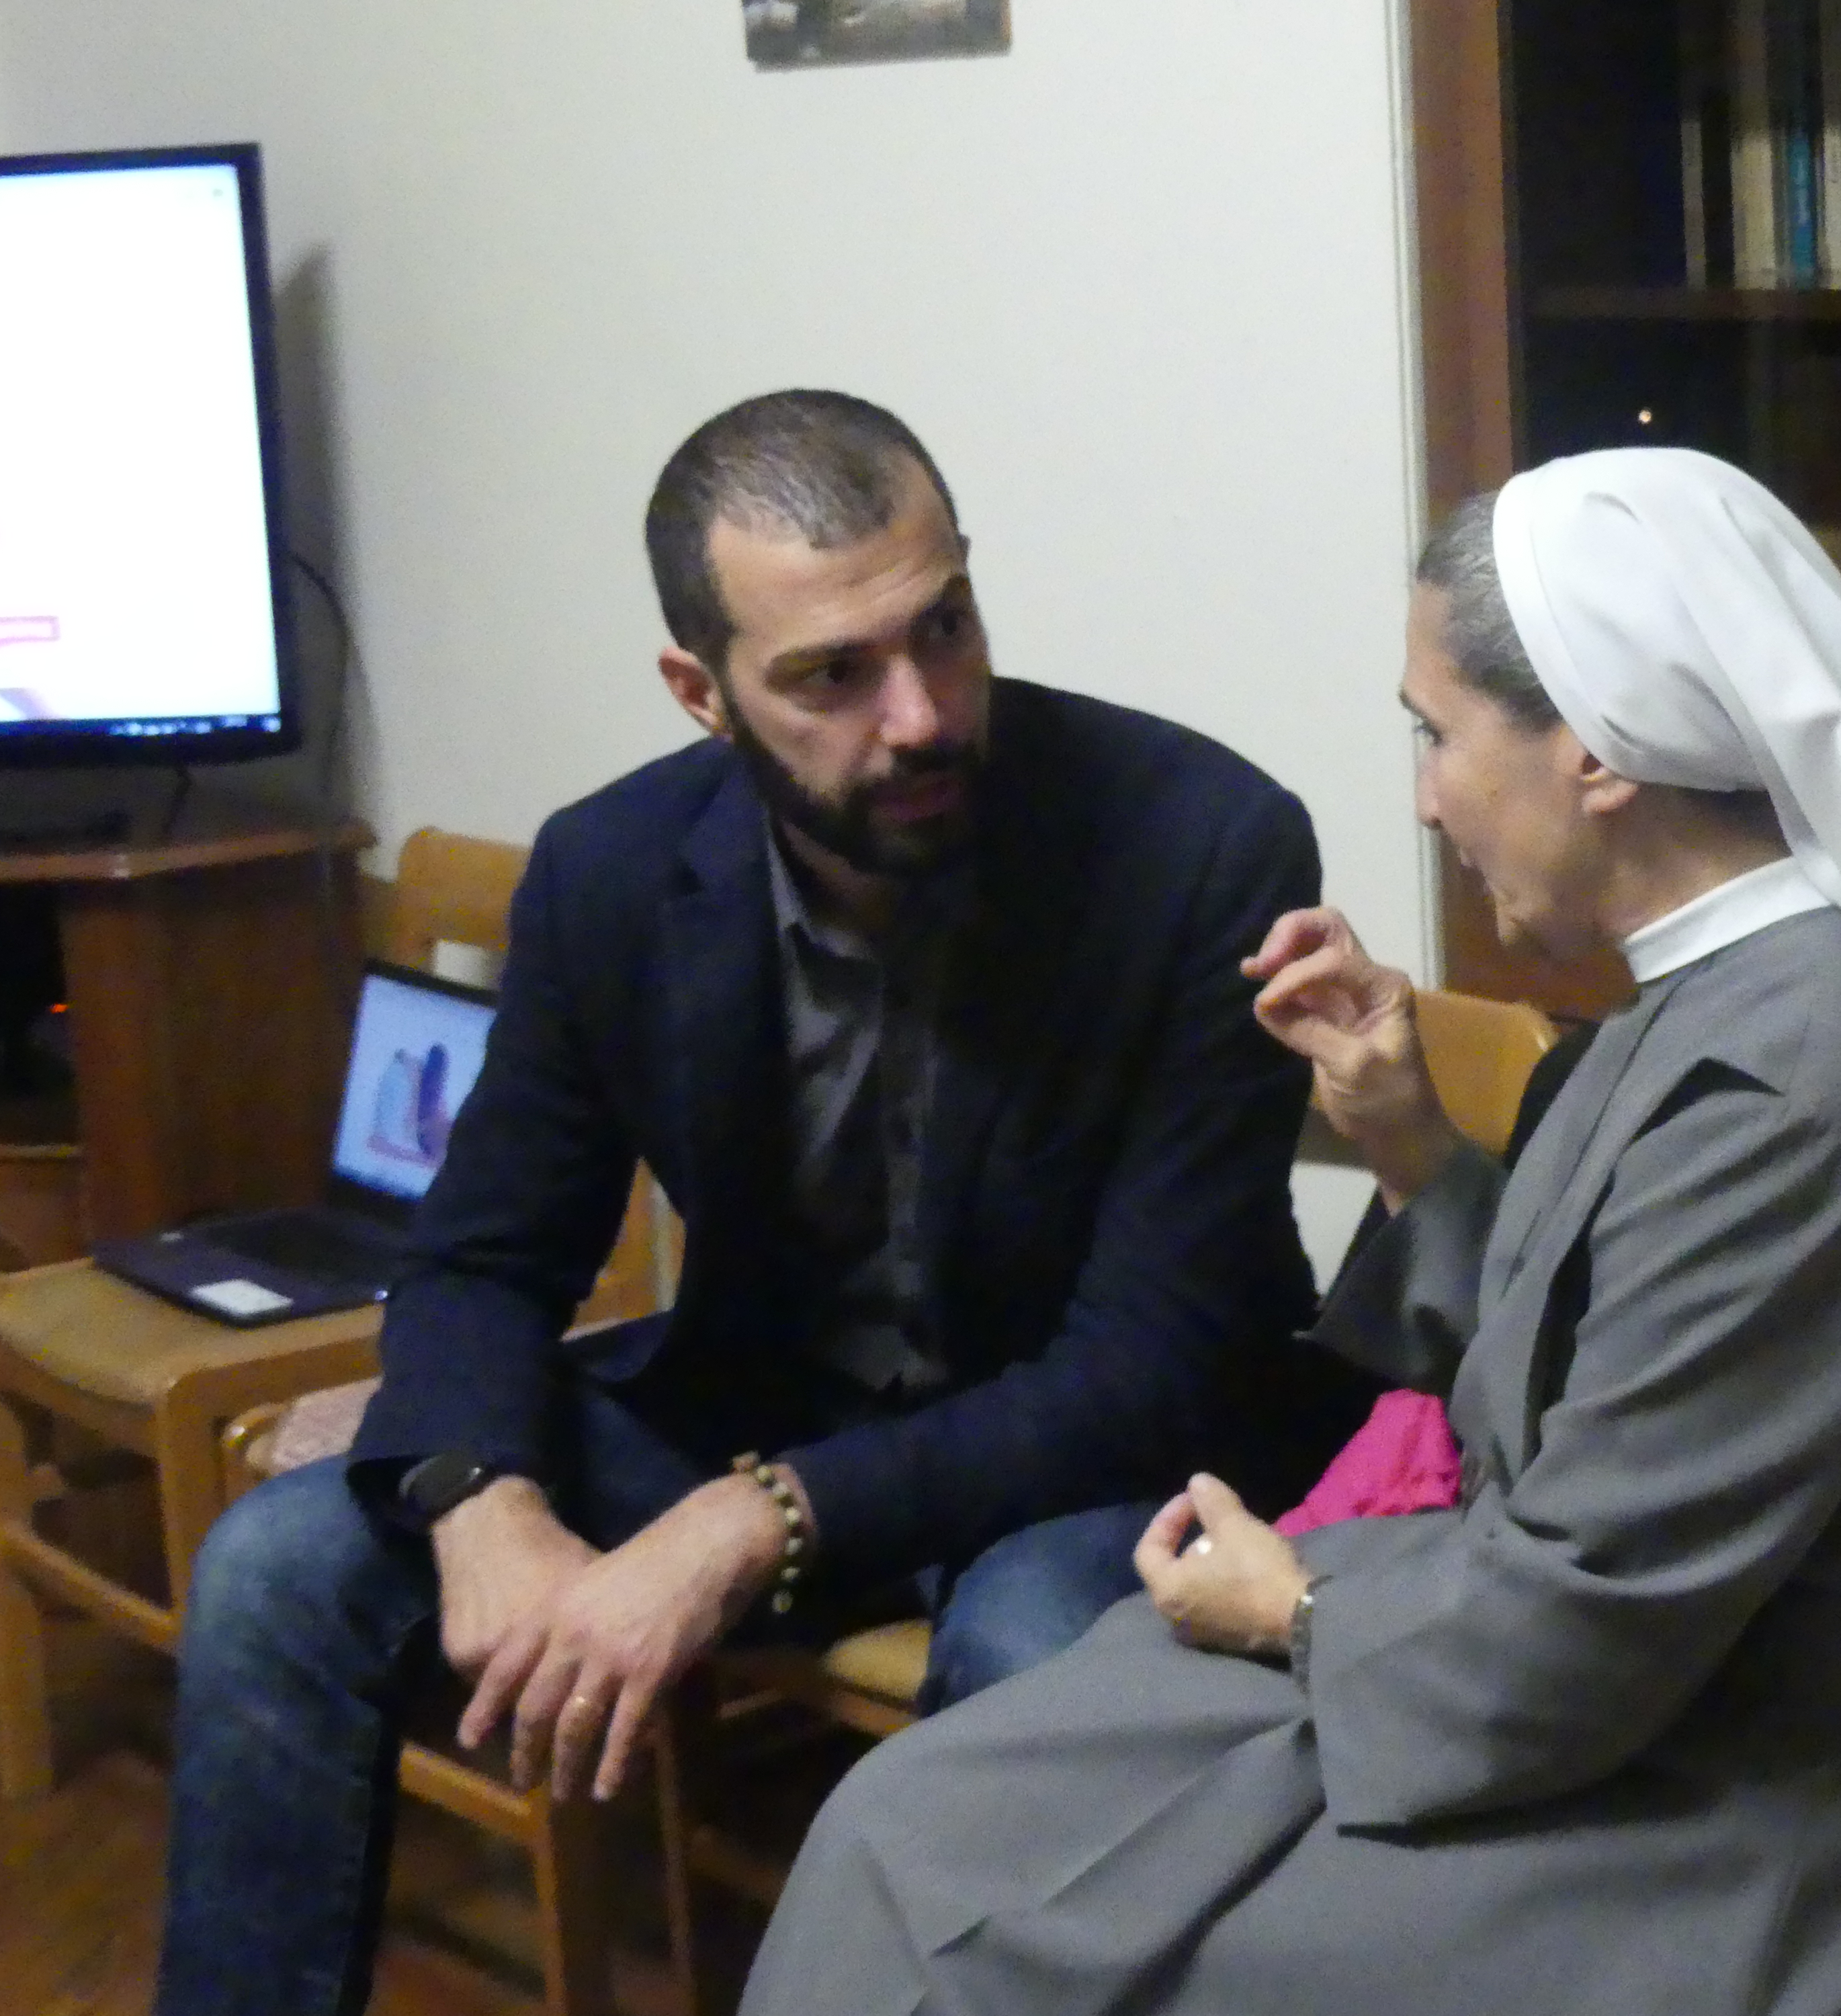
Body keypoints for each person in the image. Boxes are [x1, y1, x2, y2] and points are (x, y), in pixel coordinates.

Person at [736, 447, 1841, 2016]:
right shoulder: (1725, 998)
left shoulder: (1794, 1086)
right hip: (1572, 1696)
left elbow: (1590, 1613)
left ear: (1593, 751)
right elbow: (1593, 1373)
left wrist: (1295, 1610)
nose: (1424, 794)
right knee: (918, 1822)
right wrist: (1410, 1141)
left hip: (1724, 1814)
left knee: (981, 1920)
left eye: (1436, 734)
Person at [154, 390, 1357, 2016]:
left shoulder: (1199, 842)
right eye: (830, 675)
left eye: (944, 627)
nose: (920, 715)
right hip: (766, 1399)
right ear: (700, 692)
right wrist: (481, 1500)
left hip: (1091, 1460)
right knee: (276, 1569)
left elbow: (1149, 1361)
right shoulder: (609, 870)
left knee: (1037, 1666)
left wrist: (749, 1523)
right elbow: (485, 1258)